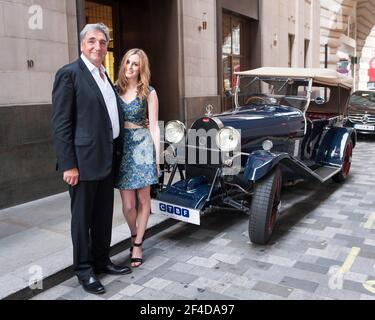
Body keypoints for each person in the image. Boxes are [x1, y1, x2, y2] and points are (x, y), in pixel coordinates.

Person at [51, 23, 131, 295]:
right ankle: (84, 271)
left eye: (102, 42)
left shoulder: (103, 74)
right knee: (82, 219)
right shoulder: (69, 74)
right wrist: (68, 164)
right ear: (82, 44)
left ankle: (101, 260)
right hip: (82, 163)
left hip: (107, 158)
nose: (98, 46)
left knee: (102, 216)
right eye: (92, 41)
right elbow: (62, 124)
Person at [115, 49, 160, 268]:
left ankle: (138, 244)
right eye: (128, 63)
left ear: (142, 68)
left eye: (135, 64)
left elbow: (154, 127)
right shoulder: (115, 90)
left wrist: (157, 158)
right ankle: (134, 235)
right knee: (127, 204)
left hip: (142, 147)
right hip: (123, 147)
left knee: (143, 200)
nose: (130, 67)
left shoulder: (149, 92)